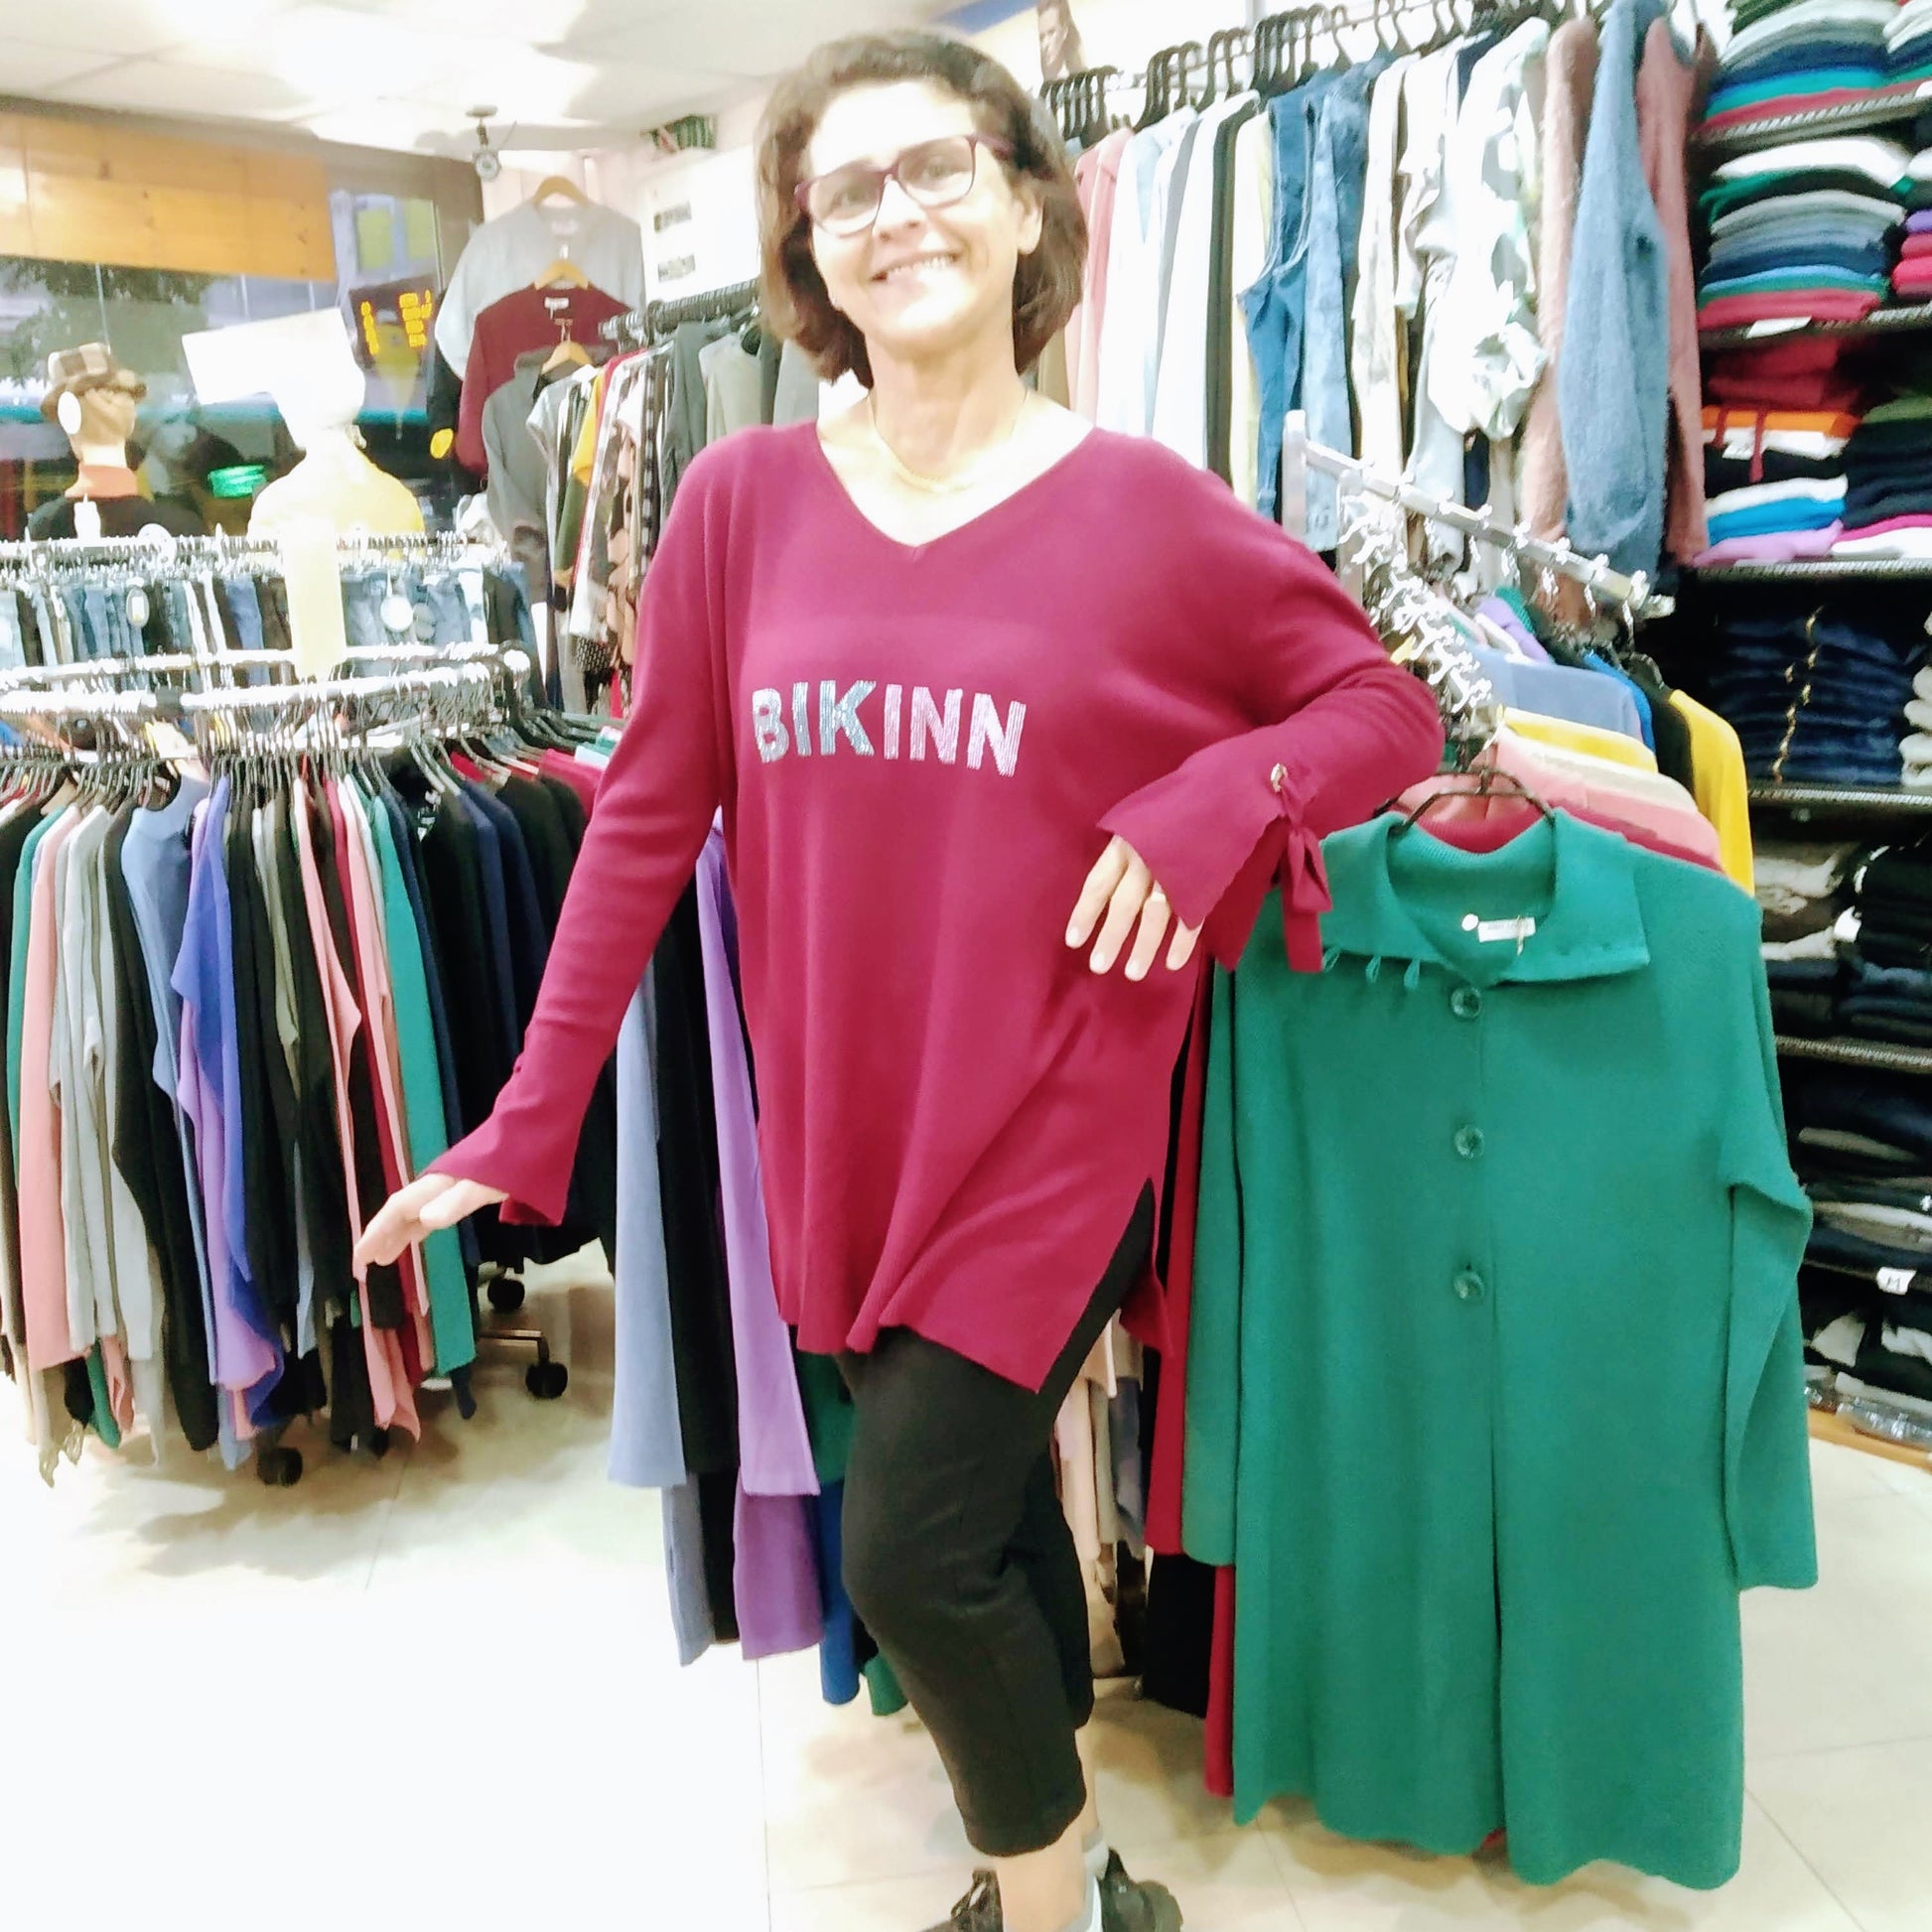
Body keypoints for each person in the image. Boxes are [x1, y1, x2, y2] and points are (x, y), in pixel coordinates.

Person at [356, 30, 1445, 1932]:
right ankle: (1080, 1855)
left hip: (1057, 1110)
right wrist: (529, 1120)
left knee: (911, 1546)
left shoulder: (1147, 511)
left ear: (1025, 199)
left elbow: (1381, 704)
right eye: (845, 190)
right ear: (809, 253)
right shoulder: (741, 506)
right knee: (994, 1502)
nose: (894, 215)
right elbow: (635, 826)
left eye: (933, 168)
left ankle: (1047, 1908)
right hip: (845, 1118)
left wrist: (1210, 803)